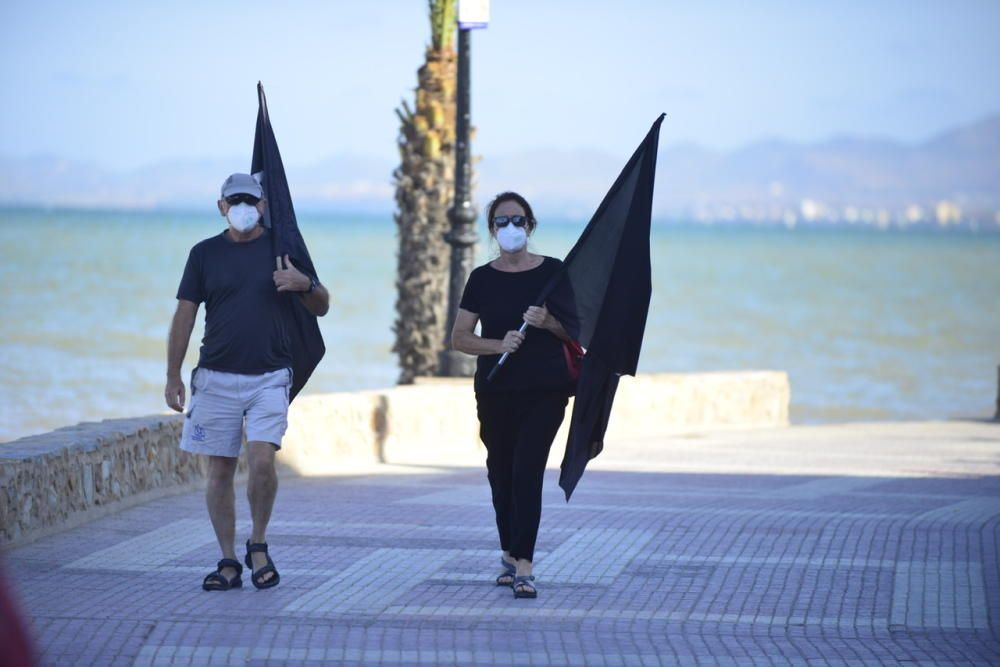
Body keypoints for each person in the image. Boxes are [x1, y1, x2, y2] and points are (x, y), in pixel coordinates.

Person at [164, 173, 329, 591]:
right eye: (234, 200)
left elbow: (322, 304)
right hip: (215, 378)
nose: (242, 207)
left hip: (270, 377)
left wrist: (303, 283)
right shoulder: (203, 254)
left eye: (250, 200)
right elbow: (185, 316)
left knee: (260, 460)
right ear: (221, 206)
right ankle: (228, 560)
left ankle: (258, 543)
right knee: (218, 471)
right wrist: (173, 375)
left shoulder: (282, 248)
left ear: (263, 206)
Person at [451, 191, 575, 599]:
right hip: (495, 391)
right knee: (500, 474)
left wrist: (549, 321)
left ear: (530, 225)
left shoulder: (554, 274)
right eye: (501, 222)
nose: (510, 228)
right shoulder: (482, 279)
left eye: (517, 220)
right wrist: (498, 346)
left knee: (527, 471)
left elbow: (577, 331)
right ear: (491, 230)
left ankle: (525, 564)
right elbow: (460, 339)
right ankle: (508, 552)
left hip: (545, 391)